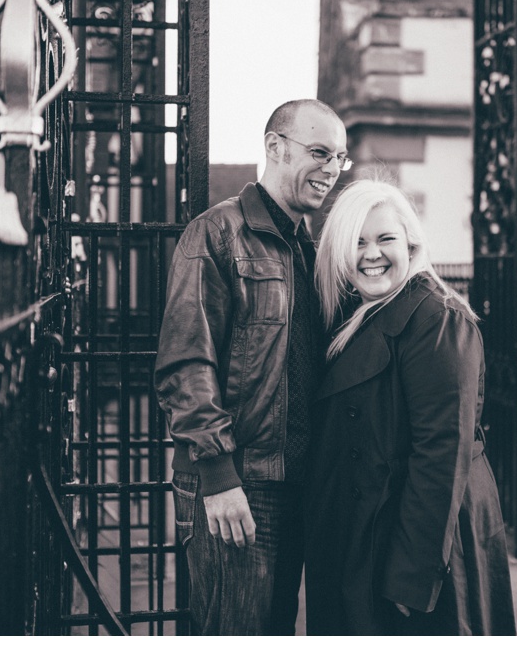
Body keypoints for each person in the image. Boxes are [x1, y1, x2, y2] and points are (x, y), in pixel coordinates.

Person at [154, 99, 349, 635]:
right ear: (274, 148)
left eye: (340, 157)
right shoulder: (217, 232)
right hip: (239, 484)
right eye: (319, 152)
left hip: (299, 486)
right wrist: (217, 475)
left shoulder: (311, 250)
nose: (332, 168)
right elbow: (185, 363)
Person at [304, 179, 516, 636]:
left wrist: (412, 577)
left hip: (423, 547)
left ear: (411, 243)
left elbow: (441, 456)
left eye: (385, 239)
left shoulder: (438, 320)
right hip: (366, 536)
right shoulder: (354, 315)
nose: (371, 254)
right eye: (357, 242)